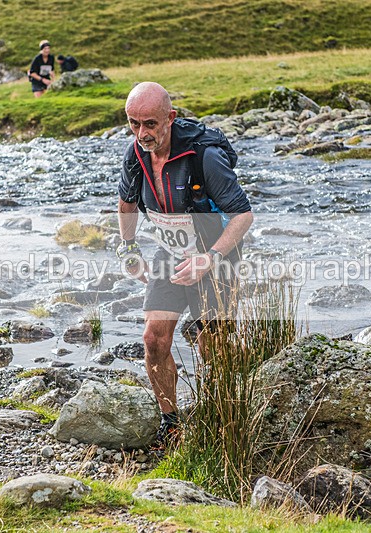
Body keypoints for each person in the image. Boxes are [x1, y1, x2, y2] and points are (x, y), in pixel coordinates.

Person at [116, 82, 253, 446]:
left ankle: (227, 408)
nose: (142, 133)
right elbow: (127, 204)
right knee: (153, 339)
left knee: (212, 345)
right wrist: (128, 249)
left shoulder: (204, 156)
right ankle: (171, 422)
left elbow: (242, 215)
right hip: (170, 253)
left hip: (216, 253)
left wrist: (210, 259)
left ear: (170, 118)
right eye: (133, 124)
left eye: (150, 123)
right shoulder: (135, 154)